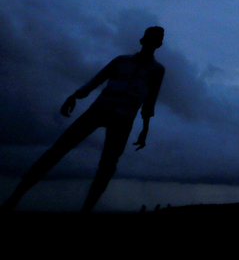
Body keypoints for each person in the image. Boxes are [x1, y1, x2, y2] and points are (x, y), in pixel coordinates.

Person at [2, 26, 166, 212]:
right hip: (100, 108)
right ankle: (14, 198)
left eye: (156, 39)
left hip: (124, 117)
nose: (151, 41)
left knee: (107, 166)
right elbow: (98, 78)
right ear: (143, 40)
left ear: (158, 44)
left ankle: (86, 210)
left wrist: (145, 128)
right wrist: (77, 94)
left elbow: (150, 99)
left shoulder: (157, 70)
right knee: (57, 150)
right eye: (150, 37)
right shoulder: (121, 61)